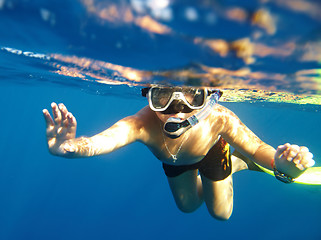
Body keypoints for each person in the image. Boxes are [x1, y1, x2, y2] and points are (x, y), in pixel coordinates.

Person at [42, 86, 315, 220]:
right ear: (150, 97)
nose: (178, 109)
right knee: (187, 207)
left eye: (193, 97)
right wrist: (70, 148)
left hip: (212, 154)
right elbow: (106, 140)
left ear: (208, 99)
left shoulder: (219, 118)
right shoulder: (141, 124)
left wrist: (279, 162)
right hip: (174, 162)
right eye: (163, 98)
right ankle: (232, 164)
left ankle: (234, 163)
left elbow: (256, 147)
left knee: (220, 213)